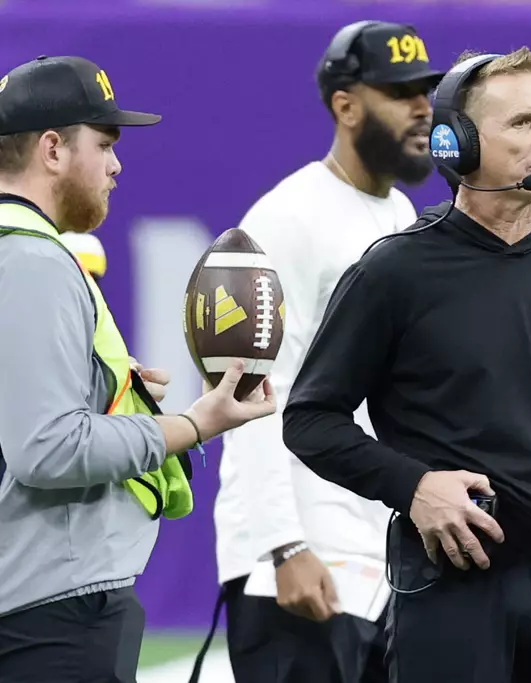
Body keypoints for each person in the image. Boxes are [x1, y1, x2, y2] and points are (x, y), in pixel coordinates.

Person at [281, 46, 531, 683]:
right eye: (522, 123)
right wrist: (413, 487)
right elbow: (310, 419)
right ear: (455, 142)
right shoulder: (395, 271)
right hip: (452, 580)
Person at [0, 55, 276, 683]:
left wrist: (114, 394)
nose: (117, 165)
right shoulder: (32, 260)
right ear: (51, 149)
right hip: (49, 613)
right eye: (104, 144)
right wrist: (195, 422)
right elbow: (47, 450)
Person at [210, 20, 444, 683]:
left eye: (426, 90)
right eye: (400, 92)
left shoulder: (404, 220)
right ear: (346, 105)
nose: (423, 108)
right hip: (303, 563)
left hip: (380, 562)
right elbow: (250, 395)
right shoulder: (284, 219)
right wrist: (285, 546)